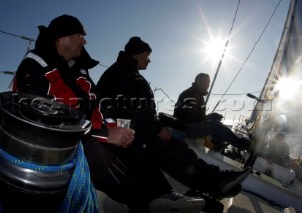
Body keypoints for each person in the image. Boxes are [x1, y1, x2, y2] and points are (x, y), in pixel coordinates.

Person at [13, 15, 203, 213]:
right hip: (47, 143)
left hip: (82, 131)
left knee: (135, 141)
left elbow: (97, 105)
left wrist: (114, 129)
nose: (85, 41)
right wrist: (104, 134)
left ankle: (162, 194)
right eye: (81, 35)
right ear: (63, 37)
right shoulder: (34, 64)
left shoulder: (78, 70)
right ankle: (144, 203)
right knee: (91, 148)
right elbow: (46, 114)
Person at [96, 36, 251, 207]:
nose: (149, 60)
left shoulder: (125, 72)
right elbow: (135, 112)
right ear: (138, 54)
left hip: (137, 128)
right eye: (147, 55)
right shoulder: (124, 74)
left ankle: (217, 179)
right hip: (129, 133)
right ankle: (212, 185)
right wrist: (157, 130)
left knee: (180, 148)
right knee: (172, 152)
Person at [174, 73, 250, 151]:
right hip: (184, 128)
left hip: (188, 125)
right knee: (215, 125)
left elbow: (195, 116)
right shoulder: (191, 94)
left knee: (215, 121)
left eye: (208, 83)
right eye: (206, 82)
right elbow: (191, 118)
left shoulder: (196, 94)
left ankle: (216, 144)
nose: (208, 85)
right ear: (198, 81)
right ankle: (242, 145)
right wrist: (209, 118)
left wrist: (211, 116)